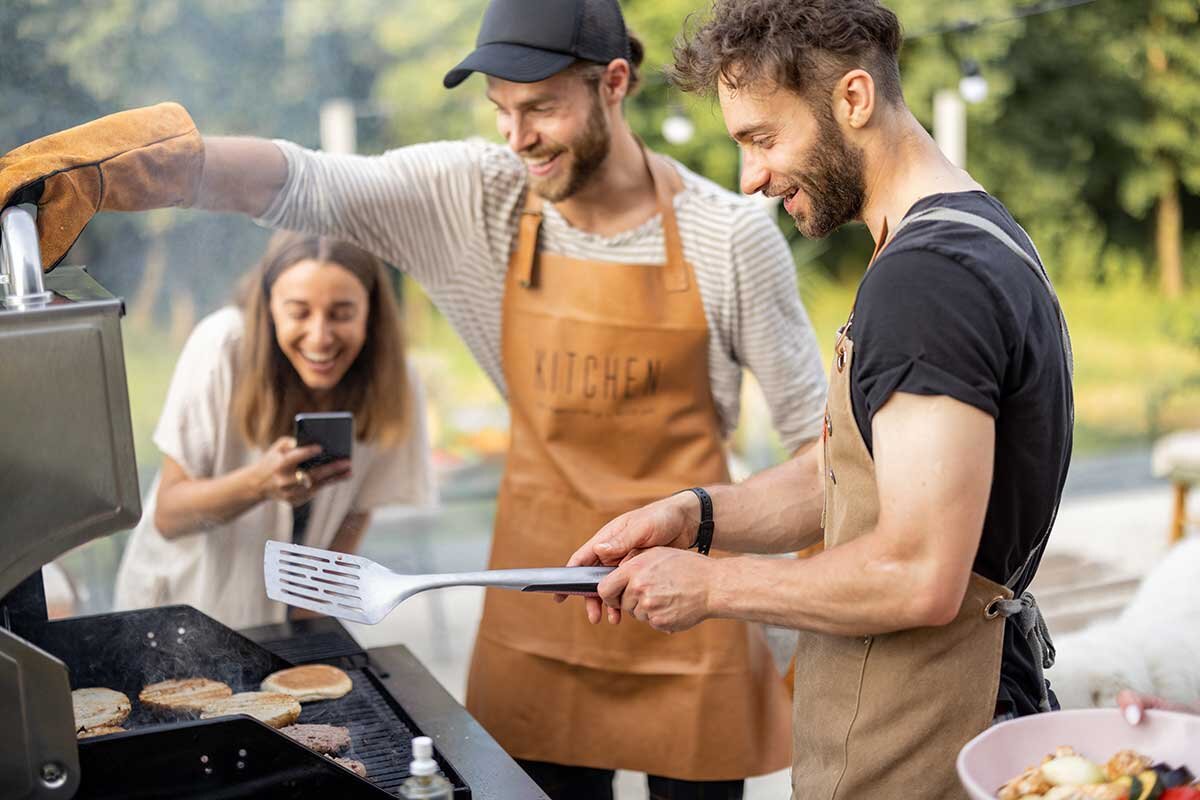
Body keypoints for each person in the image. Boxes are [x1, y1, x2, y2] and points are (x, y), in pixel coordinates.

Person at [0, 0, 827, 795]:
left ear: (613, 84)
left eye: (540, 108)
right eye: (502, 111)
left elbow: (812, 443)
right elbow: (304, 183)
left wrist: (800, 619)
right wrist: (149, 167)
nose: (518, 139)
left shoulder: (731, 235)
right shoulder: (480, 195)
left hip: (686, 608)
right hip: (536, 611)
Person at [566, 1, 1075, 797]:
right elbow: (850, 474)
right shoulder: (967, 233)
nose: (752, 179)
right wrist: (696, 516)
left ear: (854, 99)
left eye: (763, 139)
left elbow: (919, 572)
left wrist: (713, 587)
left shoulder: (929, 280)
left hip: (927, 748)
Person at [113, 231, 435, 630]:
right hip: (185, 611)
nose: (320, 337)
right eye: (299, 312)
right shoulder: (222, 346)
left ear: (371, 312)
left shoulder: (396, 379)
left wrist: (308, 618)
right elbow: (169, 515)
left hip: (287, 620)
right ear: (268, 308)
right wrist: (259, 484)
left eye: (341, 314)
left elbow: (357, 512)